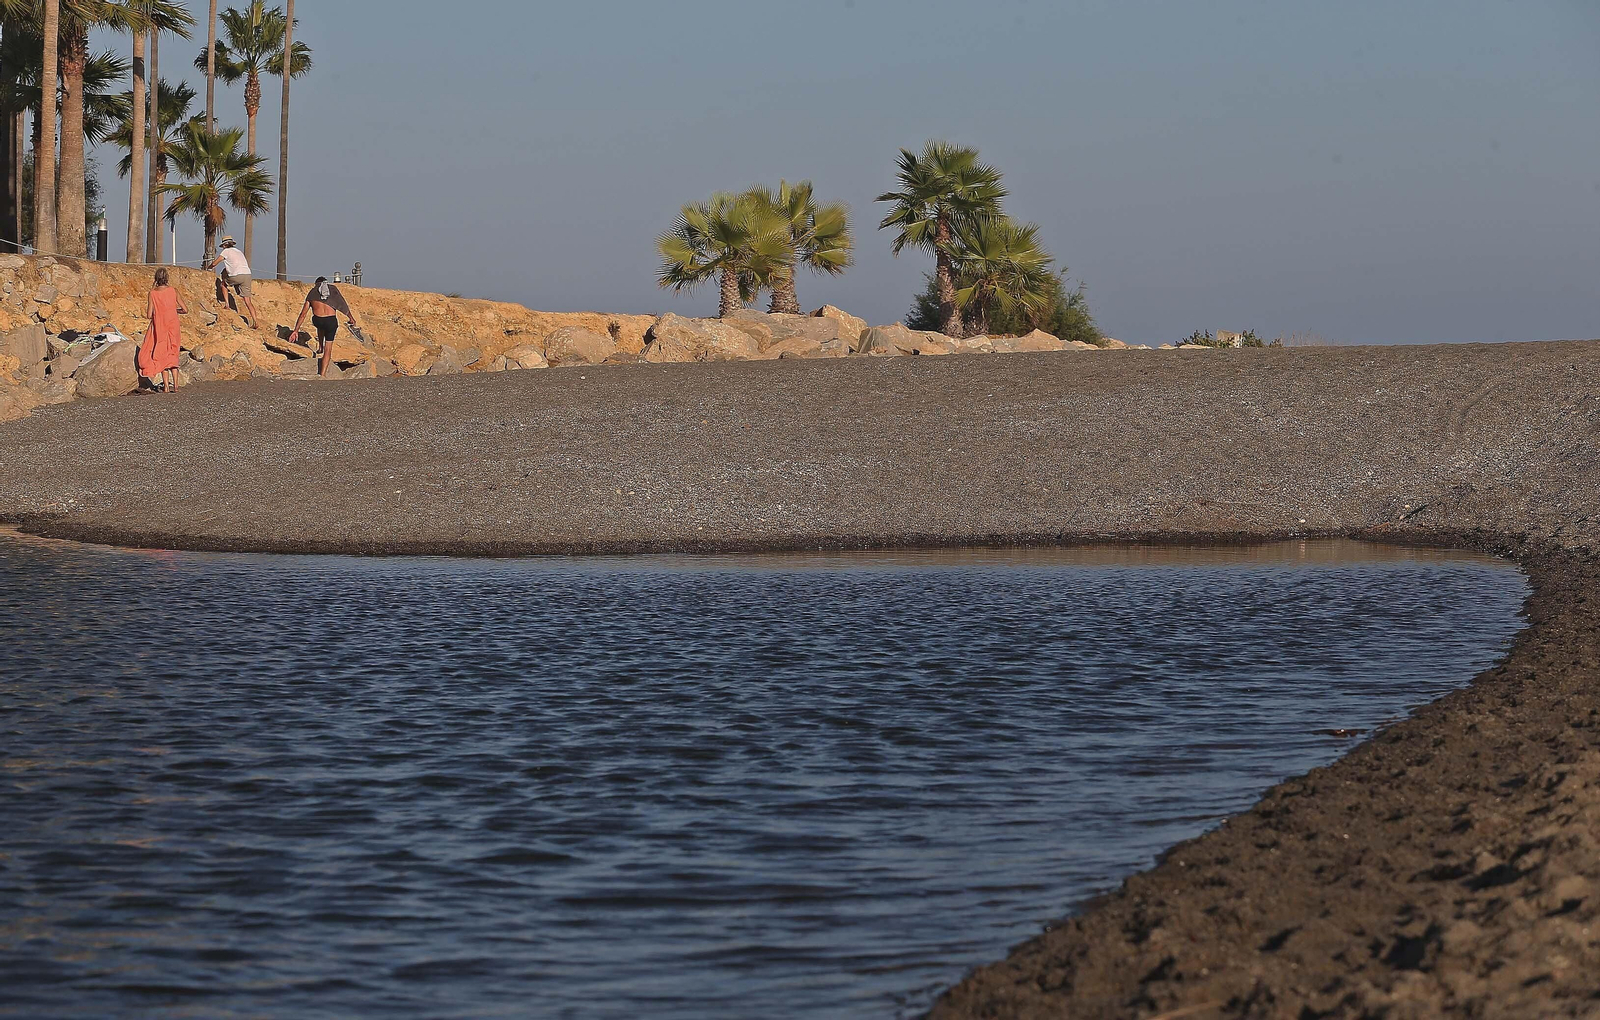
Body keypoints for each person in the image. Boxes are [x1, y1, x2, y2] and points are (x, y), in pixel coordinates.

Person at [293, 277, 367, 377]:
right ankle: (322, 374)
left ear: (316, 284)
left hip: (318, 321)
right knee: (328, 349)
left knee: (320, 324)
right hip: (331, 321)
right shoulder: (332, 290)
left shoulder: (312, 292)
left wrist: (295, 330)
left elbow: (303, 314)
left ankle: (320, 347)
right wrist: (351, 318)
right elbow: (342, 306)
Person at [138, 267, 188, 394]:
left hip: (160, 325)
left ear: (156, 279)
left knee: (162, 353)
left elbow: (149, 314)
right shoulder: (173, 291)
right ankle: (176, 386)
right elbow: (185, 309)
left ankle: (166, 386)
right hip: (173, 324)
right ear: (167, 278)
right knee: (173, 351)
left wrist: (159, 312)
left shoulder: (152, 293)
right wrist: (174, 310)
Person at [208, 236, 260, 328]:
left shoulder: (226, 251)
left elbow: (215, 263)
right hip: (247, 274)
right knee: (248, 301)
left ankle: (227, 304)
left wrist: (209, 267)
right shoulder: (238, 251)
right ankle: (255, 321)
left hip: (237, 275)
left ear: (224, 245)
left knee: (223, 284)